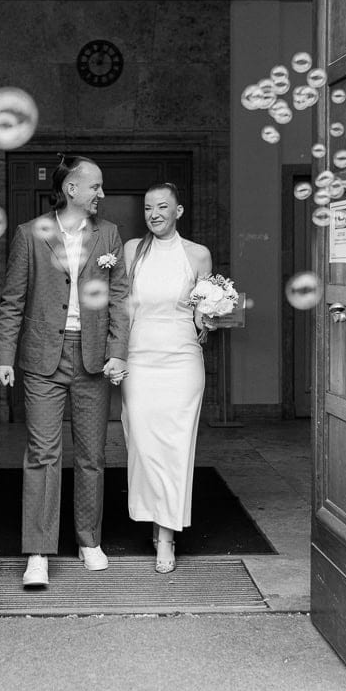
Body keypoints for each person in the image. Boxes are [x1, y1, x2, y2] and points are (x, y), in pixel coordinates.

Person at [0, 154, 130, 588]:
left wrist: (118, 352)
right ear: (72, 188)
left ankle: (89, 541)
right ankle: (38, 551)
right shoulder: (30, 234)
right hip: (41, 359)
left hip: (92, 356)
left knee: (92, 455)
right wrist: (3, 356)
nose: (101, 194)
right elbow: (12, 300)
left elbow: (119, 300)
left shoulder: (109, 234)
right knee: (42, 454)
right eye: (96, 186)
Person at [121, 182, 213, 573]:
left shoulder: (198, 255)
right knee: (141, 443)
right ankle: (152, 514)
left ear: (178, 211)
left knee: (176, 446)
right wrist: (114, 355)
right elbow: (121, 309)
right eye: (147, 208)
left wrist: (208, 317)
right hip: (139, 357)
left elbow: (200, 314)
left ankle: (166, 537)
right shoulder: (130, 251)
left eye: (162, 207)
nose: (154, 214)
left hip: (182, 358)